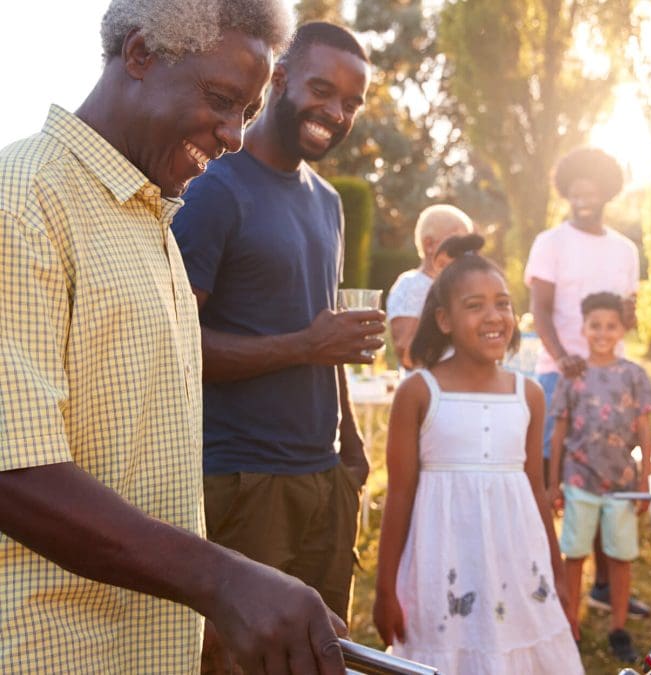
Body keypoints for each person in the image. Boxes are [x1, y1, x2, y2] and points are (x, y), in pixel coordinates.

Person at [0, 1, 353, 673]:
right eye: (221, 100)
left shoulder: (153, 218)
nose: (232, 136)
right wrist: (220, 579)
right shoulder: (20, 202)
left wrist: (207, 611)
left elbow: (135, 459)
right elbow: (14, 472)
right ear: (139, 54)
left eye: (247, 113)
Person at [170, 20, 382, 643]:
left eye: (351, 102)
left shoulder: (328, 201)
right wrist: (305, 346)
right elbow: (175, 345)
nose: (336, 113)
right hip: (240, 480)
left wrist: (350, 447)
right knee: (239, 658)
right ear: (280, 80)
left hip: (324, 478)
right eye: (323, 90)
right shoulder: (213, 187)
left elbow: (326, 333)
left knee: (321, 651)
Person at [373, 234, 583, 674]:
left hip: (518, 568)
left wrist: (559, 574)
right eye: (475, 305)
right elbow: (400, 496)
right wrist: (385, 589)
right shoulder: (419, 392)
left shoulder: (527, 394)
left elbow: (536, 489)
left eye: (503, 303)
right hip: (441, 567)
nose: (494, 316)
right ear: (444, 320)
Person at [524, 146, 649, 618]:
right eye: (575, 188)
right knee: (554, 479)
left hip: (610, 384)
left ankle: (600, 586)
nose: (583, 196)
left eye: (591, 188)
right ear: (566, 189)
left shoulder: (625, 250)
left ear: (606, 191)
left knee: (606, 478)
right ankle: (545, 582)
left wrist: (627, 323)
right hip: (560, 377)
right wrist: (563, 357)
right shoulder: (550, 242)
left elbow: (623, 315)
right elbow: (539, 307)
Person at [547, 292, 651, 663]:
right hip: (580, 479)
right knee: (575, 553)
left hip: (623, 483)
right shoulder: (573, 375)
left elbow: (643, 429)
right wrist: (553, 483)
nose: (602, 332)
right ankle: (570, 625)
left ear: (622, 329)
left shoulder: (633, 375)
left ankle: (619, 627)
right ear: (583, 327)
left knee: (620, 555)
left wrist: (644, 479)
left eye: (610, 325)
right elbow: (558, 432)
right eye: (595, 325)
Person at [387, 204, 474, 370]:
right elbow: (405, 350)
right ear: (429, 245)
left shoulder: (461, 286)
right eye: (457, 245)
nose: (465, 254)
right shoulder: (411, 284)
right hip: (427, 387)